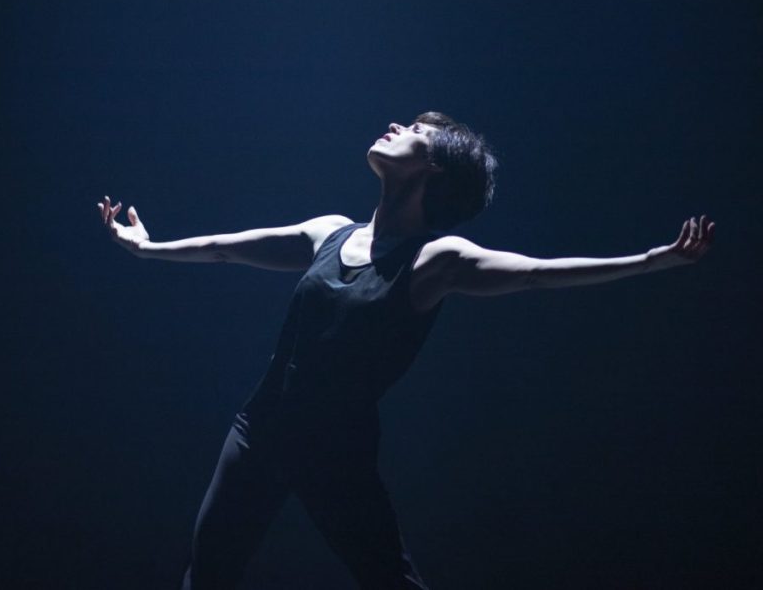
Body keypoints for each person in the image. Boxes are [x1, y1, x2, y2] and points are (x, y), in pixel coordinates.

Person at [96, 112, 715, 589]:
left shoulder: (433, 261)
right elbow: (224, 248)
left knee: (391, 581)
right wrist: (145, 248)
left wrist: (652, 261)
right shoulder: (329, 232)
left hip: (336, 454)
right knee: (205, 577)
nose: (395, 126)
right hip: (259, 432)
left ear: (434, 170)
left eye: (416, 131)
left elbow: (535, 273)